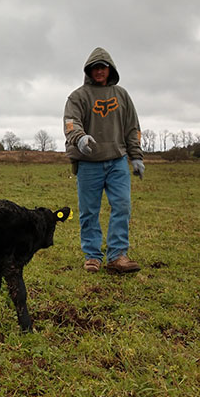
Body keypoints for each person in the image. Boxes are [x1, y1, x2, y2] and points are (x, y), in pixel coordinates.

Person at [63, 47, 144, 274]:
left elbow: (132, 128)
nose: (99, 71)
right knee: (89, 211)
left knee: (122, 206)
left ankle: (118, 256)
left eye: (103, 67)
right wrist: (80, 139)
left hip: (118, 161)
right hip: (89, 163)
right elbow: (71, 123)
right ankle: (92, 256)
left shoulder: (122, 95)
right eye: (95, 68)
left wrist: (136, 157)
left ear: (110, 69)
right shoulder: (78, 97)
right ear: (89, 70)